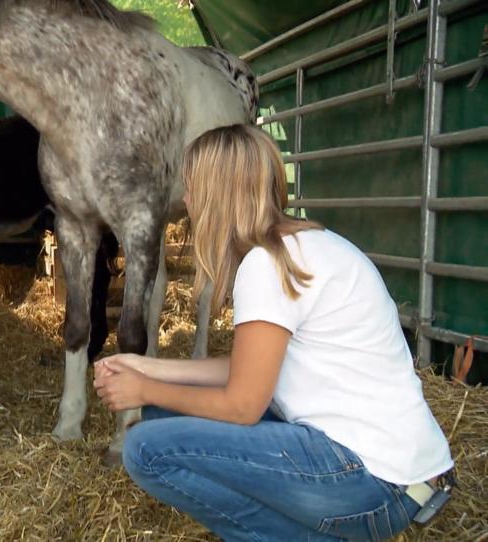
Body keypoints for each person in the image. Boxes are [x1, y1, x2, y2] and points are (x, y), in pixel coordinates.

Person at [93, 125, 454, 541]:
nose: (186, 201)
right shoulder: (304, 245)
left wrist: (145, 390)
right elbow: (249, 369)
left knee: (145, 449)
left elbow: (243, 405)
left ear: (217, 196)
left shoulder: (266, 266)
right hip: (395, 478)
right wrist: (147, 368)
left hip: (373, 485)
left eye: (191, 188)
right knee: (163, 416)